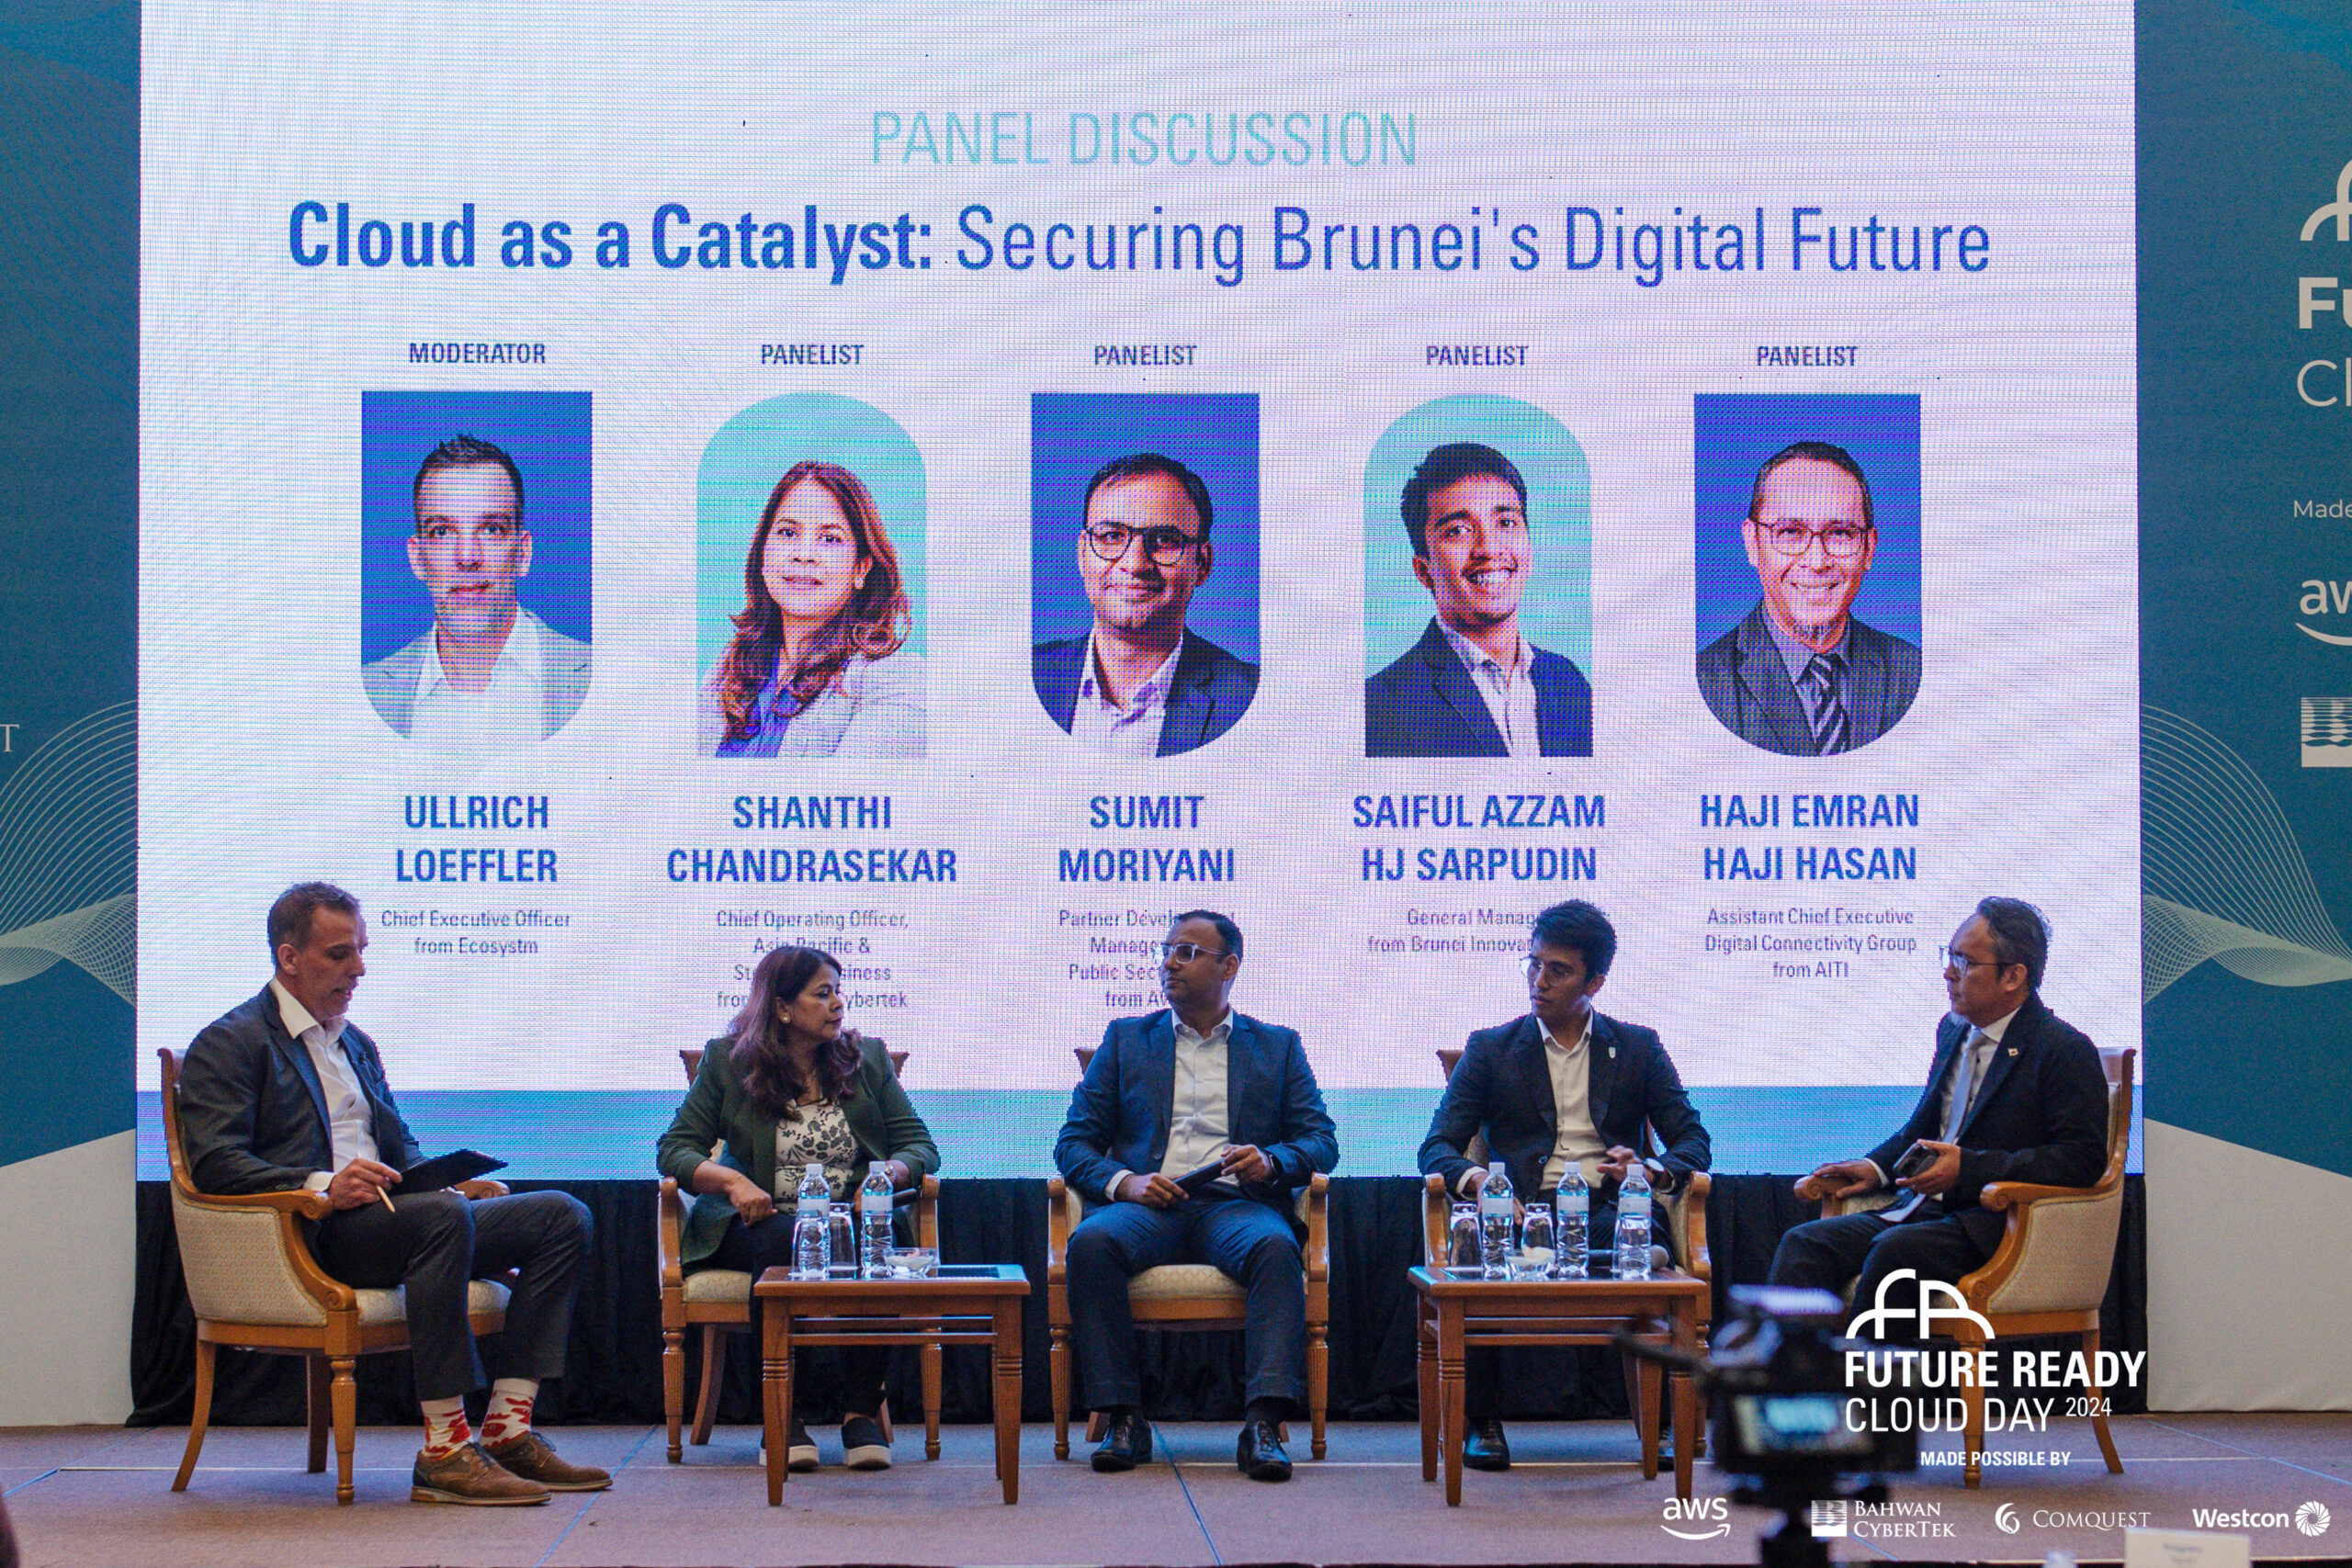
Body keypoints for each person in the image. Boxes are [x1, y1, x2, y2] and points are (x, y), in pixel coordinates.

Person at [176, 883, 605, 1505]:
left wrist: (449, 1181)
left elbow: (399, 1149)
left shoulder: (355, 1042)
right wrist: (324, 1185)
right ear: (289, 957)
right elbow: (216, 1162)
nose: (359, 969)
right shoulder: (233, 1040)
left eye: (361, 951)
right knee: (441, 1218)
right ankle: (445, 1450)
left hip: (400, 1221)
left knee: (562, 1215)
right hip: (314, 1233)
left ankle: (508, 1431)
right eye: (340, 954)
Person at [1418, 898, 1712, 1471]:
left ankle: (1662, 1423)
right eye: (1533, 964)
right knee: (1484, 1242)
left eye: (1558, 970)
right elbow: (1437, 1147)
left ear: (1594, 982)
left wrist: (1648, 1171)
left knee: (1638, 1236)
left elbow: (1693, 1140)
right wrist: (1477, 1181)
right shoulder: (1491, 1048)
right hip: (1520, 1210)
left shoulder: (1638, 1048)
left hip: (1606, 1206)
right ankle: (1482, 1422)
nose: (1539, 981)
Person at [1054, 910, 1338, 1481]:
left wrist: (1270, 1161)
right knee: (1091, 1244)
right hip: (1147, 1207)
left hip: (1235, 1206)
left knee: (1276, 1248)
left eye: (1186, 952)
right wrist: (1126, 1182)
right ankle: (1123, 1419)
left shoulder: (1278, 1046)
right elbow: (1073, 1143)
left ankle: (1262, 1425)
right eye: (1167, 951)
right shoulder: (1126, 1039)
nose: (1169, 964)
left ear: (1229, 967)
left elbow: (1321, 1142)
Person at [1768, 897, 2108, 1338]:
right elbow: (1926, 1130)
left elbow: (2081, 1159)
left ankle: (1872, 1384)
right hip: (1924, 1211)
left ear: (2013, 976)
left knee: (1895, 1252)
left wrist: (1970, 1168)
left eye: (1964, 962)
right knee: (1805, 1244)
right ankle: (1789, 1380)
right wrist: (1875, 1167)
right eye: (1948, 957)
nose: (1948, 973)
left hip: (1994, 1224)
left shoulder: (2062, 1049)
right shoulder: (1953, 1030)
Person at [656, 945, 939, 1470]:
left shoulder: (867, 1058)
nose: (838, 1004)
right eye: (822, 994)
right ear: (783, 1008)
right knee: (785, 1242)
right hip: (758, 1220)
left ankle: (860, 1412)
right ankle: (783, 1414)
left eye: (838, 992)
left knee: (873, 1240)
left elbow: (919, 1146)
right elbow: (676, 1150)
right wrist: (732, 1182)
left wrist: (889, 1174)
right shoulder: (728, 1061)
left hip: (850, 1217)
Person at [363, 434, 594, 749]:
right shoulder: (368, 691)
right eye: (442, 532)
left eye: (492, 529)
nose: (468, 556)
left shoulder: (601, 679)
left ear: (523, 553)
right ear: (417, 559)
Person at [1365, 442, 1593, 757]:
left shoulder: (1569, 682)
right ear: (1424, 570)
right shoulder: (1381, 706)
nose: (1489, 548)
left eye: (1506, 523)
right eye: (1458, 531)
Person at [1695, 439, 1919, 755]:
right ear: (1752, 543)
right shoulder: (1703, 683)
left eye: (1840, 533)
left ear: (1869, 548)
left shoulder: (1915, 674)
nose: (1817, 561)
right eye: (1790, 532)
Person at [1034, 453, 1258, 757]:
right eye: (1111, 536)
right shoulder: (1018, 677)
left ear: (1202, 564)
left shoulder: (1251, 700)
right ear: (1083, 555)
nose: (1135, 564)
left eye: (1165, 540)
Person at [700, 459, 925, 758]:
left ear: (861, 567)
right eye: (787, 533)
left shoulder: (896, 678)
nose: (804, 554)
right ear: (763, 554)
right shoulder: (730, 667)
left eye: (830, 538)